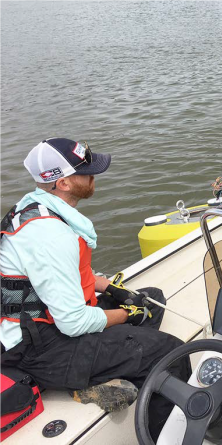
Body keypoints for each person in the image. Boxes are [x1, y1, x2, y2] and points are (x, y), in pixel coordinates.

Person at [0, 138, 190, 440]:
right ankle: (162, 437)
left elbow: (76, 274)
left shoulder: (37, 206)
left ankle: (100, 374)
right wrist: (126, 314)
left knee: (151, 299)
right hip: (39, 349)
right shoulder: (49, 234)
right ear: (63, 182)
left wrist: (118, 292)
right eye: (86, 171)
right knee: (171, 351)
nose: (94, 176)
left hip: (50, 324)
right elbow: (73, 322)